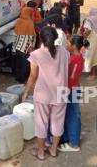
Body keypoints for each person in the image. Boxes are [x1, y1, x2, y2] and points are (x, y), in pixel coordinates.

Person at [22, 27, 69, 160]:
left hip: (43, 94)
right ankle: (53, 150)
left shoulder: (37, 54)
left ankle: (41, 152)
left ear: (41, 38)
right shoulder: (65, 52)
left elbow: (32, 76)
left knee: (41, 123)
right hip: (61, 93)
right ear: (55, 38)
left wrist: (26, 92)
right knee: (58, 122)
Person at [57, 35, 89, 152]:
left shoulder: (74, 59)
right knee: (70, 114)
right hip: (74, 87)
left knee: (73, 115)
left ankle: (74, 143)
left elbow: (70, 77)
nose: (66, 45)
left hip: (70, 89)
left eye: (68, 43)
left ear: (74, 46)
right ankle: (68, 137)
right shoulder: (77, 56)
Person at [13, 6, 37, 83]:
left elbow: (16, 32)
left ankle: (18, 77)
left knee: (18, 62)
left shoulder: (19, 21)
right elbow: (31, 37)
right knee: (25, 64)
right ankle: (23, 78)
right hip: (26, 47)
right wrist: (32, 47)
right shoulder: (29, 22)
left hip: (18, 45)